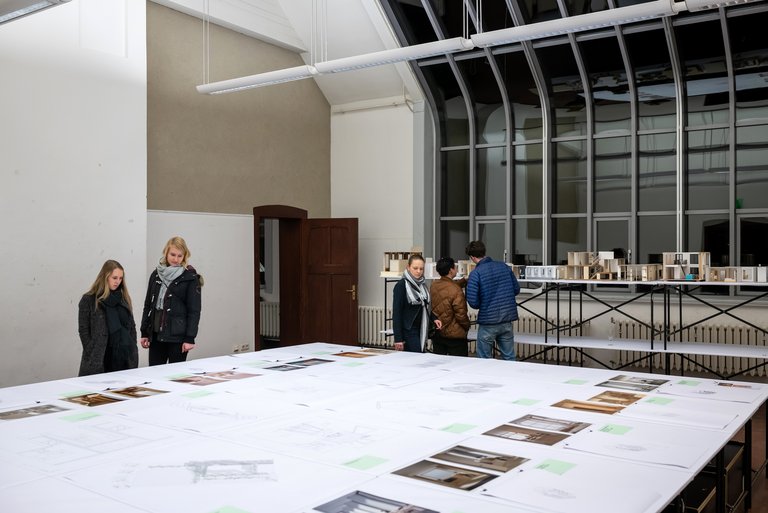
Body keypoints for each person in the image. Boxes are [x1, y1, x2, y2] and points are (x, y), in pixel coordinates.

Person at [140, 236, 203, 365]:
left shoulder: (190, 278)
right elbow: (148, 305)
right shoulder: (156, 274)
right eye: (172, 254)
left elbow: (194, 311)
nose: (175, 259)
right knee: (155, 374)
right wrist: (144, 332)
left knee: (176, 377)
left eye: (180, 256)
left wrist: (190, 338)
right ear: (166, 253)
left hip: (178, 338)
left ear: (185, 256)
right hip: (156, 334)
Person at [77, 260, 138, 376]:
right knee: (94, 392)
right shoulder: (89, 300)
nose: (118, 282)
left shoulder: (124, 298)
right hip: (99, 357)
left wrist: (132, 345)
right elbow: (83, 329)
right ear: (105, 277)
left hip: (123, 357)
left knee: (123, 391)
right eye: (114, 278)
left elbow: (131, 326)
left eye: (120, 278)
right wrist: (90, 350)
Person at [465, 241, 520, 360]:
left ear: (472, 257)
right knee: (509, 357)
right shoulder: (504, 266)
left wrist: (485, 303)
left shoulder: (476, 273)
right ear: (484, 252)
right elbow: (516, 289)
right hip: (507, 319)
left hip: (488, 321)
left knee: (484, 359)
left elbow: (473, 302)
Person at [392, 254, 441, 352]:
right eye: (415, 268)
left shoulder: (422, 284)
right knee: (416, 355)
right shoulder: (401, 285)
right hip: (408, 329)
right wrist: (398, 339)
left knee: (419, 357)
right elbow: (397, 313)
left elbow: (425, 306)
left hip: (422, 327)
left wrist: (434, 318)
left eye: (421, 269)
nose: (418, 271)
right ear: (408, 267)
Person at [429, 257, 471, 357]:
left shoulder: (434, 285)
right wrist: (467, 326)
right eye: (455, 267)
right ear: (451, 270)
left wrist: (463, 281)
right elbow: (461, 315)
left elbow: (447, 289)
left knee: (439, 365)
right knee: (459, 366)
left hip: (438, 333)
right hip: (455, 336)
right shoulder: (456, 290)